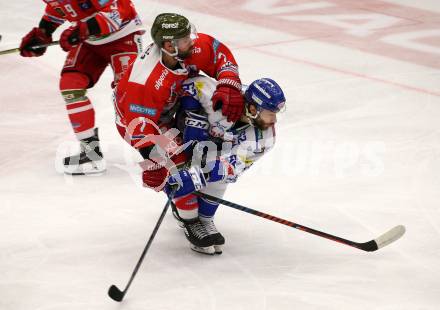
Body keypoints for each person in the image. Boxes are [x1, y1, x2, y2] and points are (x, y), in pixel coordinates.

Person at [114, 13, 245, 191]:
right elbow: (139, 127)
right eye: (185, 39)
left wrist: (229, 83)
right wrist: (155, 161)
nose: (192, 41)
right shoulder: (147, 82)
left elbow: (218, 54)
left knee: (204, 85)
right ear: (169, 46)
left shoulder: (186, 49)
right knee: (181, 169)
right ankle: (187, 214)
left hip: (169, 102)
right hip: (143, 121)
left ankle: (217, 129)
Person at [163, 75, 286, 255]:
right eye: (270, 113)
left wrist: (198, 175)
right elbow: (191, 84)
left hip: (213, 150)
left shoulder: (264, 138)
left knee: (216, 174)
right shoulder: (223, 96)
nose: (274, 120)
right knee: (181, 165)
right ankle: (189, 220)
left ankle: (204, 220)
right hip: (180, 135)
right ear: (253, 108)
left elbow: (232, 167)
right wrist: (194, 116)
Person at [19, 0, 144, 175]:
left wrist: (82, 30)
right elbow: (60, 7)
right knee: (70, 85)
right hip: (90, 42)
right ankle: (90, 153)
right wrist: (43, 32)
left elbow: (117, 13)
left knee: (131, 95)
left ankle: (163, 147)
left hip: (123, 37)